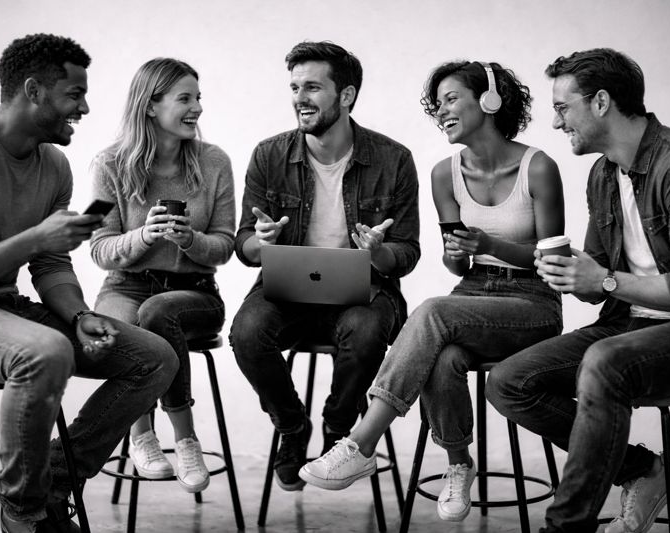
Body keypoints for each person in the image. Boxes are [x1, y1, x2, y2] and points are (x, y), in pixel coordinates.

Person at [0, 34, 178, 533]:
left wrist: (79, 315)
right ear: (33, 91)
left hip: (4, 307)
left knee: (154, 357)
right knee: (46, 352)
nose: (85, 107)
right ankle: (23, 515)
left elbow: (50, 265)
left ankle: (50, 485)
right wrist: (34, 238)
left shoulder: (53, 165)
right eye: (75, 94)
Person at [300, 60, 566, 522]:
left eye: (451, 99)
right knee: (442, 358)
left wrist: (491, 245)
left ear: (489, 100)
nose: (441, 111)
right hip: (473, 291)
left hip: (533, 300)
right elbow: (454, 263)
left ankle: (360, 443)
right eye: (437, 104)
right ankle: (459, 465)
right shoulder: (445, 173)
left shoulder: (538, 167)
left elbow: (554, 261)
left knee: (432, 312)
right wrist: (456, 254)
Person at [485, 48, 670, 533]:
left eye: (563, 107)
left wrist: (604, 280)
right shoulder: (603, 174)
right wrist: (571, 274)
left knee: (604, 361)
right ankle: (644, 471)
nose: (556, 122)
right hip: (628, 323)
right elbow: (596, 282)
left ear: (601, 102)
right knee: (508, 381)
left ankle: (564, 527)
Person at [229, 41, 421, 491]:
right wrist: (260, 242)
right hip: (288, 291)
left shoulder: (393, 159)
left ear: (346, 95)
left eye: (312, 87)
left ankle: (339, 433)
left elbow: (407, 252)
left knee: (367, 330)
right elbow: (244, 244)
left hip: (363, 292)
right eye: (295, 87)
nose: (300, 97)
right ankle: (292, 427)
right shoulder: (269, 155)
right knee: (247, 332)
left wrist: (377, 252)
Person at [90, 57, 235, 492]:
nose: (197, 108)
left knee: (157, 312)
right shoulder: (109, 164)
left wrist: (191, 240)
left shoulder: (214, 162)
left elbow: (226, 244)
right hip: (126, 285)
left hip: (193, 293)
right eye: (185, 99)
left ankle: (185, 440)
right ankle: (142, 437)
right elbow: (99, 248)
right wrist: (142, 236)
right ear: (150, 106)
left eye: (198, 98)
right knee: (122, 329)